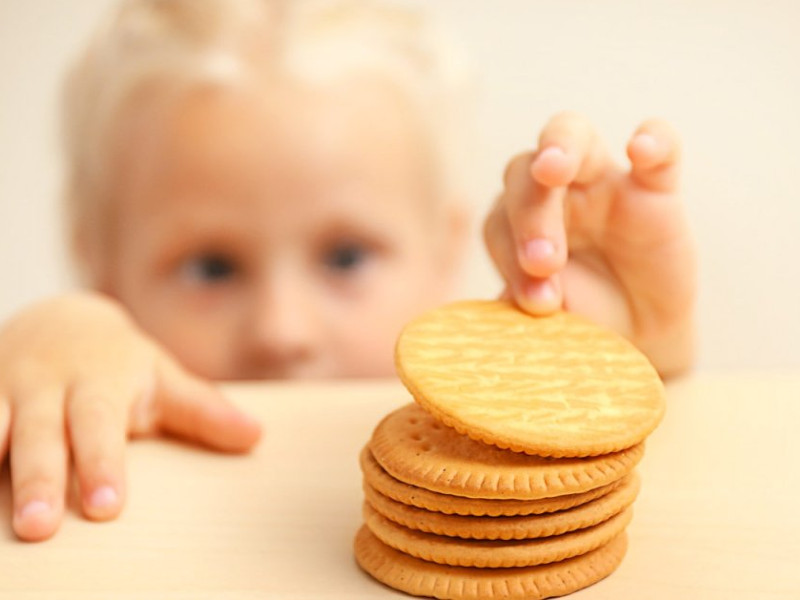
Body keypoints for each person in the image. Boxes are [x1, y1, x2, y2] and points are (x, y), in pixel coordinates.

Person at [0, 0, 696, 542]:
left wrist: (638, 350)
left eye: (346, 257)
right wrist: (49, 344)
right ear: (101, 264)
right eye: (211, 267)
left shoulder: (494, 432)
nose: (284, 330)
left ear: (445, 247)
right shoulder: (103, 388)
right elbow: (58, 376)